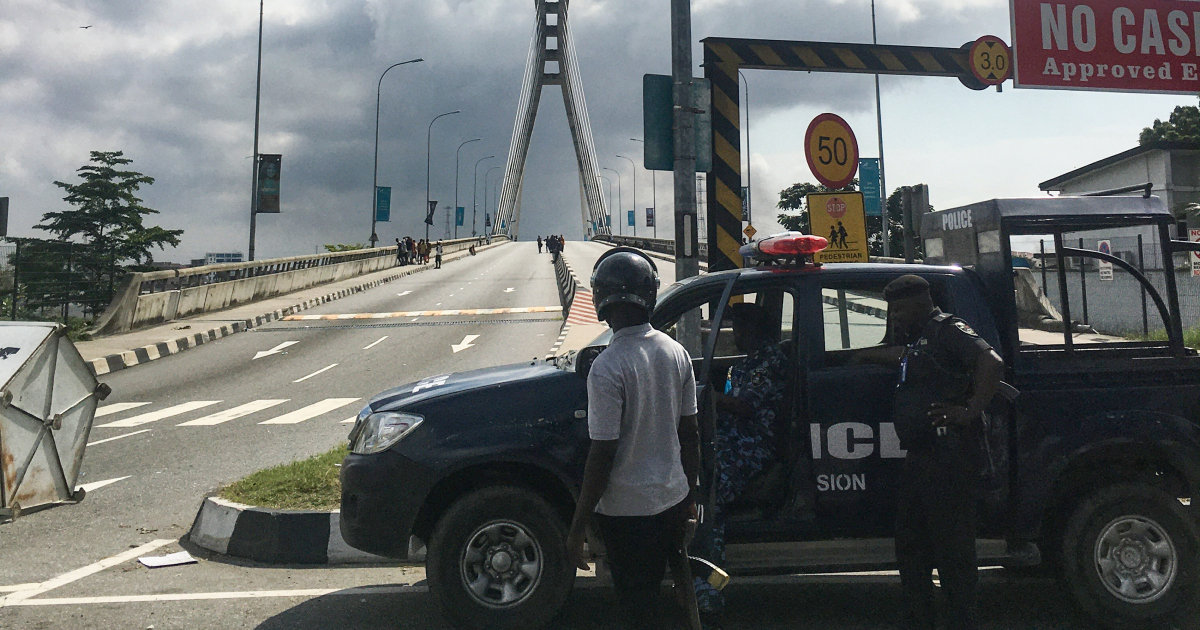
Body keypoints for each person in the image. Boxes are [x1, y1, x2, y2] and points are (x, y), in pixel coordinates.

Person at [858, 275, 1003, 630]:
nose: (893, 319)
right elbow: (903, 356)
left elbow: (992, 362)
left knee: (953, 552)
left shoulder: (949, 328)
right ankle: (919, 618)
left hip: (948, 458)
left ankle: (961, 620)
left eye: (898, 311)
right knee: (910, 547)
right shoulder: (922, 338)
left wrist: (969, 410)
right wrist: (859, 355)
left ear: (918, 304)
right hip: (922, 459)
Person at [567, 248, 701, 630]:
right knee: (665, 596)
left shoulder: (607, 368)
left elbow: (602, 453)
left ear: (601, 303)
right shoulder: (677, 353)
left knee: (635, 603)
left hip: (626, 515)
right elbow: (689, 434)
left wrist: (577, 529)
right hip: (671, 500)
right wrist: (688, 499)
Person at [690, 302, 787, 618]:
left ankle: (708, 594)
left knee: (707, 500)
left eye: (740, 328)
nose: (736, 334)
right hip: (736, 442)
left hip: (752, 448)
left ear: (754, 330)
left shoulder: (765, 364)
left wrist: (703, 395)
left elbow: (744, 406)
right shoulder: (753, 361)